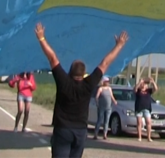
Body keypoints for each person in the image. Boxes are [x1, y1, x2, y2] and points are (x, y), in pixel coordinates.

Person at [35, 22, 127, 158]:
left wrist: (41, 38)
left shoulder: (63, 81)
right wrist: (119, 45)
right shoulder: (88, 84)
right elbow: (105, 63)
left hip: (63, 130)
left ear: (70, 72)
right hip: (80, 131)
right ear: (84, 73)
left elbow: (52, 58)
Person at [133, 77, 157, 142]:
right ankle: (139, 137)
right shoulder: (138, 91)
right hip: (139, 108)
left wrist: (153, 82)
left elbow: (155, 89)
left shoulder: (148, 91)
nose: (144, 85)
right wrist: (140, 82)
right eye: (143, 84)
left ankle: (149, 137)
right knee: (139, 122)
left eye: (145, 84)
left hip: (147, 108)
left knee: (148, 122)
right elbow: (135, 89)